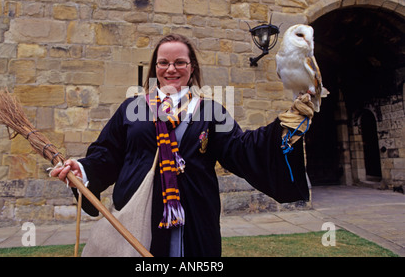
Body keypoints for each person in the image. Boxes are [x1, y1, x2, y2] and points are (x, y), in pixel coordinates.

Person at [51, 33, 314, 257]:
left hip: (195, 220)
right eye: (163, 63)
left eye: (180, 62)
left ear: (192, 68)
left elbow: (241, 148)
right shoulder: (132, 109)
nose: (171, 69)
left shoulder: (211, 111)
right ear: (154, 68)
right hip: (140, 219)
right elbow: (106, 154)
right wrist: (82, 170)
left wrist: (284, 128)